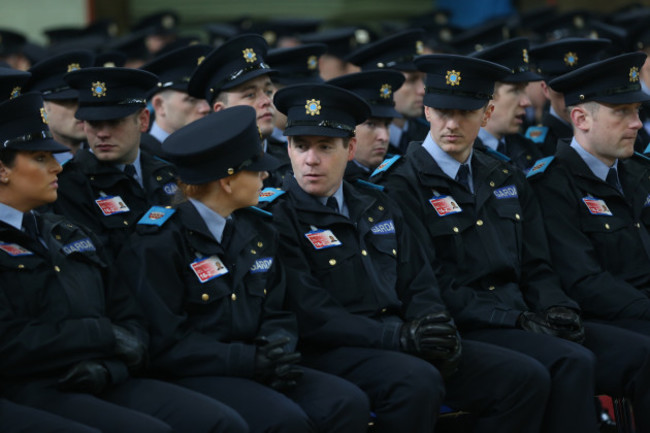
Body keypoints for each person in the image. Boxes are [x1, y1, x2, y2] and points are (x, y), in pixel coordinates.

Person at [374, 53, 650, 433]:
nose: (452, 123)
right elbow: (428, 282)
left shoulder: (502, 175)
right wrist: (514, 318)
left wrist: (558, 308)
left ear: (486, 115)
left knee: (576, 355)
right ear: (426, 111)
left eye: (466, 113)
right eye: (442, 111)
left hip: (518, 316)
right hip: (464, 326)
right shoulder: (400, 184)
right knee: (554, 367)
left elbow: (537, 265)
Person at [266, 83, 551, 433]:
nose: (311, 160)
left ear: (350, 148)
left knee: (522, 378)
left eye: (325, 147)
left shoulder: (376, 203)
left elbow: (419, 280)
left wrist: (435, 328)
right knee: (415, 383)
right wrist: (399, 337)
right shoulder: (279, 217)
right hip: (334, 348)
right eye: (300, 146)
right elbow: (314, 314)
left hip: (401, 337)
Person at [0, 91, 248, 433]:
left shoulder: (64, 231)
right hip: (33, 386)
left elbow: (126, 313)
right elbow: (10, 342)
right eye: (41, 158)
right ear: (2, 170)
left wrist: (110, 364)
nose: (57, 166)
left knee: (220, 423)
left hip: (106, 375)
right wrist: (101, 336)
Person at [115, 105, 370, 433]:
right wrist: (247, 360)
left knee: (345, 403)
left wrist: (277, 345)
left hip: (256, 362)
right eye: (256, 170)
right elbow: (166, 343)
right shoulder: (159, 241)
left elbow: (277, 309)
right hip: (196, 374)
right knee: (283, 420)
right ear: (227, 181)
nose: (265, 176)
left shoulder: (256, 228)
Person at [529, 50, 650, 364]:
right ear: (581, 119)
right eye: (622, 112)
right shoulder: (552, 183)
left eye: (637, 110)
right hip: (605, 319)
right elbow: (584, 281)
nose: (637, 123)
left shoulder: (640, 170)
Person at [51, 67, 178, 258]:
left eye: (114, 121)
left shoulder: (167, 173)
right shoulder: (70, 185)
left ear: (143, 120)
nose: (102, 133)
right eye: (94, 123)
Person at [346, 29, 429, 155]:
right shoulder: (360, 146)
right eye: (411, 80)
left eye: (423, 79)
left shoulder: (430, 136)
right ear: (383, 84)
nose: (422, 90)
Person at [526, 37, 611, 156]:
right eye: (563, 90)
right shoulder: (535, 147)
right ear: (545, 90)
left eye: (583, 88)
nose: (574, 99)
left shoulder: (611, 132)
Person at [470, 37, 544, 171]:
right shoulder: (464, 154)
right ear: (486, 96)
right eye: (515, 91)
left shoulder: (528, 148)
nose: (526, 102)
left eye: (524, 89)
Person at [328, 70, 404, 182]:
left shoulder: (398, 173)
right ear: (346, 127)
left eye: (387, 124)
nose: (384, 137)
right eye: (371, 124)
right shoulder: (334, 179)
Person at [139, 44, 212, 158]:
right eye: (191, 100)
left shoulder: (210, 149)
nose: (205, 108)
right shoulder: (139, 158)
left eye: (206, 98)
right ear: (160, 105)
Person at [24, 50, 95, 162]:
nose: (81, 109)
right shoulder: (28, 168)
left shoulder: (105, 161)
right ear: (43, 107)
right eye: (69, 101)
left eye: (85, 100)